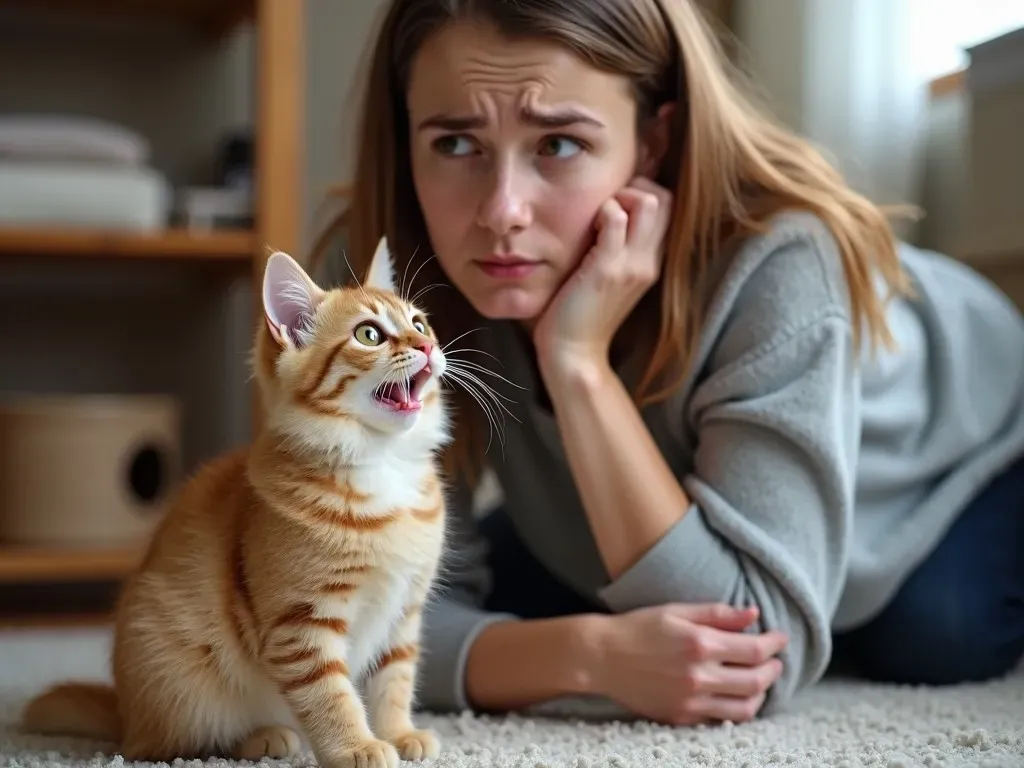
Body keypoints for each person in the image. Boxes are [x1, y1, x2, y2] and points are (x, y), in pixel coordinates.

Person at [312, 0, 1024, 726]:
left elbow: (748, 650)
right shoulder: (377, 292)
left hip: (967, 438)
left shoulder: (780, 260)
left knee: (938, 633)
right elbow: (340, 611)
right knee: (561, 588)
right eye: (455, 145)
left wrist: (577, 360)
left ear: (654, 140)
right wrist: (590, 654)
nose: (502, 212)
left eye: (557, 144)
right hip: (672, 480)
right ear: (405, 139)